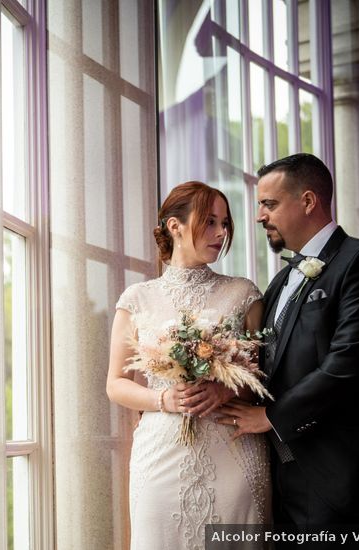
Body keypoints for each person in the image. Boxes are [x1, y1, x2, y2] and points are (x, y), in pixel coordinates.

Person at [219, 153, 359, 546]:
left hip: (339, 475)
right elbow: (266, 361)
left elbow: (349, 364)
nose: (259, 216)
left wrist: (270, 416)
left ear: (308, 201)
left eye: (269, 204)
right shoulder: (281, 280)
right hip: (282, 475)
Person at [106, 181, 271, 550]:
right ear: (174, 226)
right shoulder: (136, 299)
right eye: (209, 221)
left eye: (224, 223)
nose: (220, 232)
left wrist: (227, 386)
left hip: (232, 445)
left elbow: (266, 373)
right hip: (160, 451)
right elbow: (115, 383)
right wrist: (165, 400)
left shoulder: (243, 293)